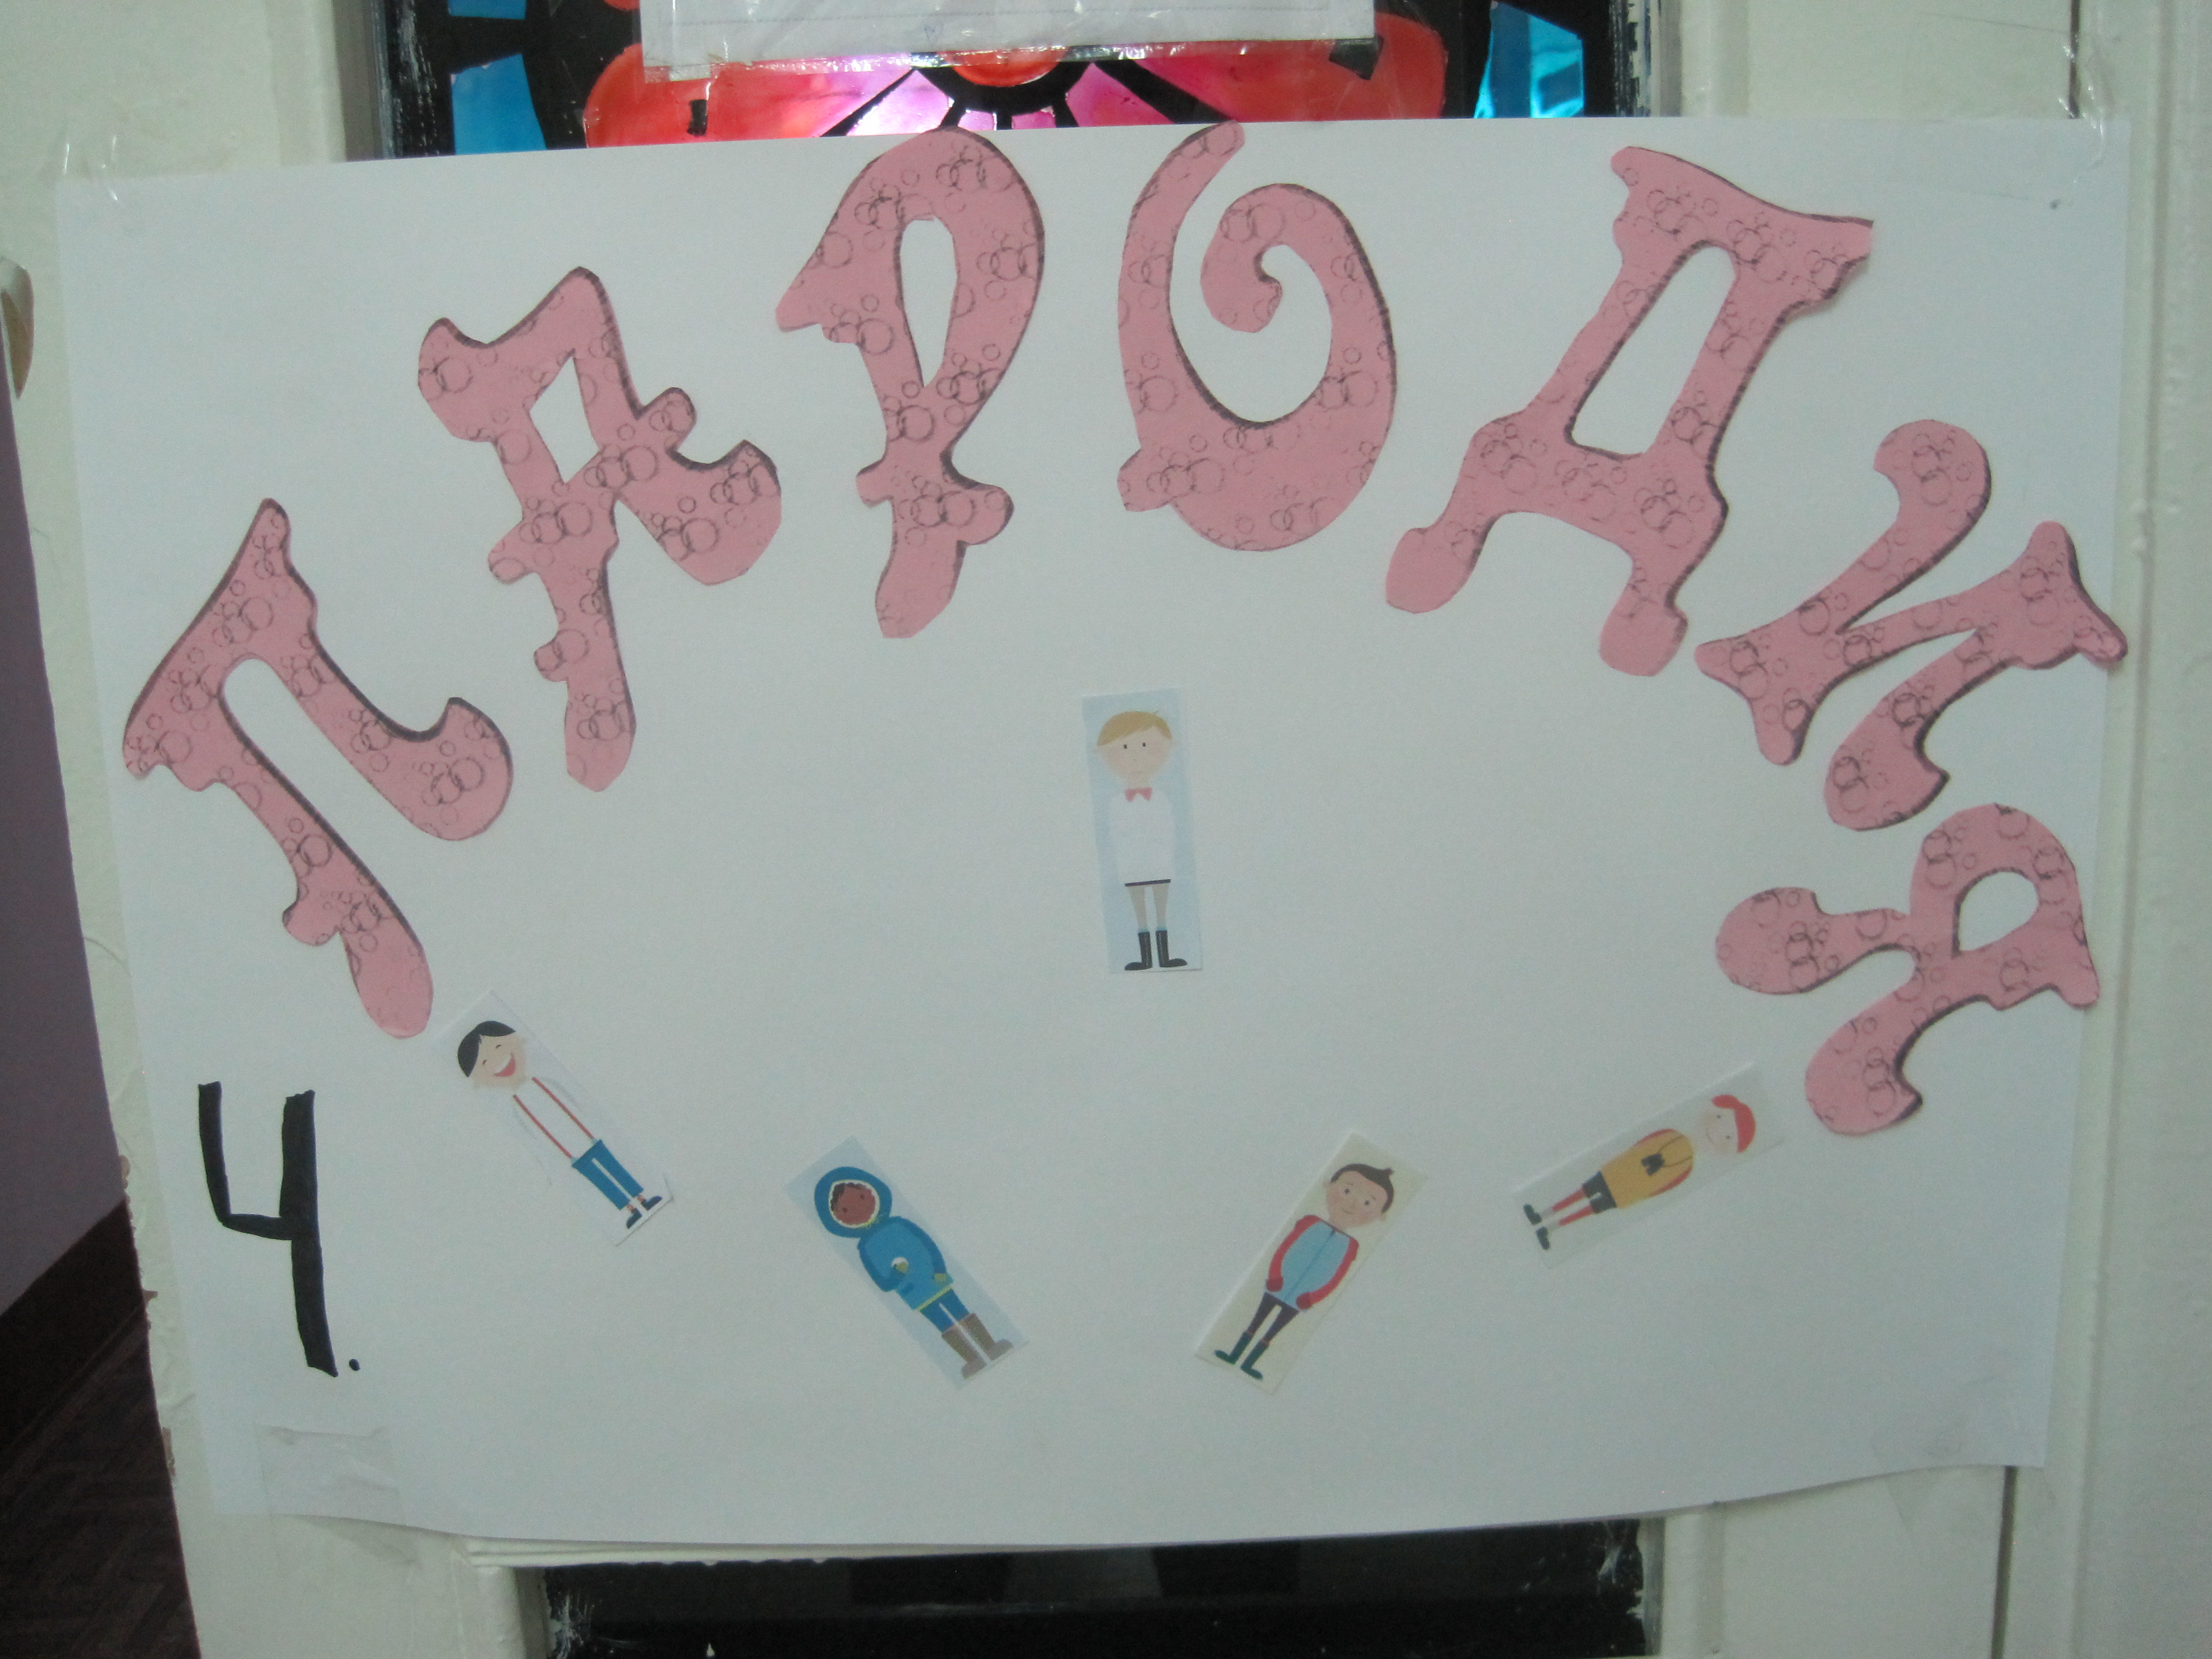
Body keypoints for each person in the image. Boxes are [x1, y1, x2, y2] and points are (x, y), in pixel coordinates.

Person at [457, 1020, 665, 1230]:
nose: (497, 1060)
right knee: (599, 1180)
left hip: (587, 1136)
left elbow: (572, 1102)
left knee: (613, 1167)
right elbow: (532, 1132)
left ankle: (641, 1198)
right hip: (567, 1150)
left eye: (499, 1047)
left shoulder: (544, 1081)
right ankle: (630, 1209)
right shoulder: (516, 1105)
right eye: (485, 1062)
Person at [813, 1166, 1013, 1378]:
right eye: (846, 1210)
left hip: (936, 1279)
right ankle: (972, 1360)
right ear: (838, 1219)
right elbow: (882, 1283)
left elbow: (929, 1246)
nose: (859, 1210)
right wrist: (896, 1276)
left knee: (962, 1313)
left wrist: (939, 1269)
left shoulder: (900, 1224)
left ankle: (990, 1346)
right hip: (915, 1294)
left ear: (871, 1193)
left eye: (861, 1198)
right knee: (943, 1325)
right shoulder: (866, 1248)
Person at [1214, 1164, 1394, 1381]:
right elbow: (1284, 1249)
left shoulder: (1351, 1247)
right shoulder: (1310, 1222)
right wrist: (1275, 1276)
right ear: (1329, 1185)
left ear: (1380, 1216)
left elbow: (1336, 1277)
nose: (1352, 1204)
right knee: (1255, 1322)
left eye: (1367, 1203)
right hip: (1279, 1284)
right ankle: (1234, 1355)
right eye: (1347, 1191)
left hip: (1302, 1298)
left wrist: (1313, 1297)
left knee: (1274, 1331)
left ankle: (1249, 1364)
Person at [1524, 1093, 1755, 1250]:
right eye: (1719, 1118)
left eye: (1727, 1137)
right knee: (1582, 1193)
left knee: (1588, 1209)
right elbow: (1641, 1145)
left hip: (1629, 1191)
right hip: (1618, 1172)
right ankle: (1542, 1215)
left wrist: (1638, 1194)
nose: (1716, 1132)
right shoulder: (1671, 1134)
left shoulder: (1687, 1167)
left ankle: (1549, 1229)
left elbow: (1663, 1188)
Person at [1096, 709, 1187, 971]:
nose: (1136, 757)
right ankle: (1146, 958)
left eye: (1145, 745)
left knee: (1161, 909)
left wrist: (1164, 854)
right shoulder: (1116, 803)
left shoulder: (1161, 799)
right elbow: (1116, 836)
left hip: (1160, 864)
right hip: (1131, 866)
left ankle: (1165, 956)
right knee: (1140, 912)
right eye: (1124, 748)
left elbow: (1168, 832)